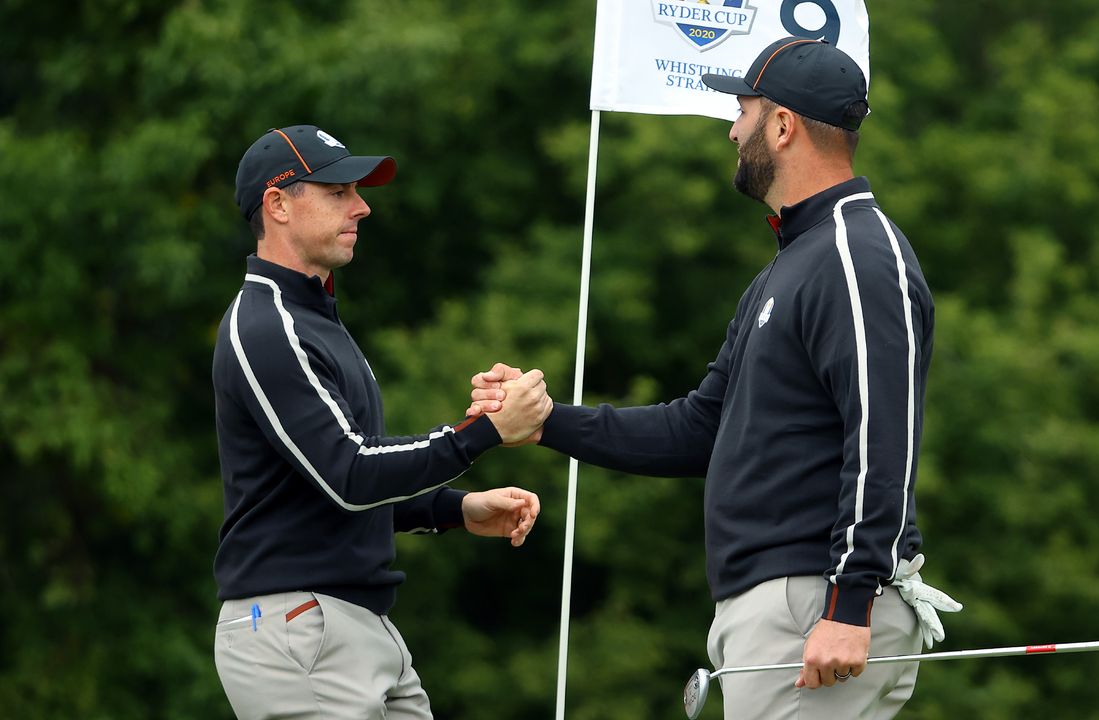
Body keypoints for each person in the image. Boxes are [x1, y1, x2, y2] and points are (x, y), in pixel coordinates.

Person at [470, 39, 960, 719]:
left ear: (783, 126)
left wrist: (850, 601)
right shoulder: (790, 264)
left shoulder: (857, 255)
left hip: (816, 600)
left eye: (743, 110)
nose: (733, 130)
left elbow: (883, 438)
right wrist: (548, 420)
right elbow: (701, 428)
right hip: (785, 604)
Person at [212, 124, 552, 719]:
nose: (362, 206)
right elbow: (349, 474)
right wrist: (484, 434)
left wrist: (452, 510)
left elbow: (325, 486)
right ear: (278, 204)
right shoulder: (267, 326)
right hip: (297, 624)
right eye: (339, 191)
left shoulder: (311, 319)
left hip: (345, 626)